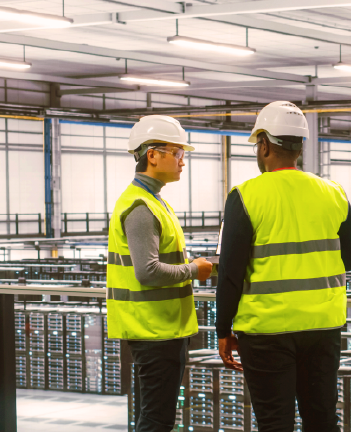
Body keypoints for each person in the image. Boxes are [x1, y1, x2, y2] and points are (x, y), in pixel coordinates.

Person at [216, 101, 351, 432]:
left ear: (264, 144)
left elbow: (230, 274)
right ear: (300, 145)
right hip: (323, 327)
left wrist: (223, 330)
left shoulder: (246, 196)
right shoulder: (334, 193)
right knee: (322, 419)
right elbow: (349, 259)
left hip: (267, 331)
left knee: (274, 423)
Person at [106, 115, 213, 432]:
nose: (183, 161)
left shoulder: (154, 201)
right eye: (178, 152)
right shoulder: (141, 206)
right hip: (154, 331)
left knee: (155, 416)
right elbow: (148, 272)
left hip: (160, 329)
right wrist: (195, 269)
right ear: (152, 155)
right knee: (157, 420)